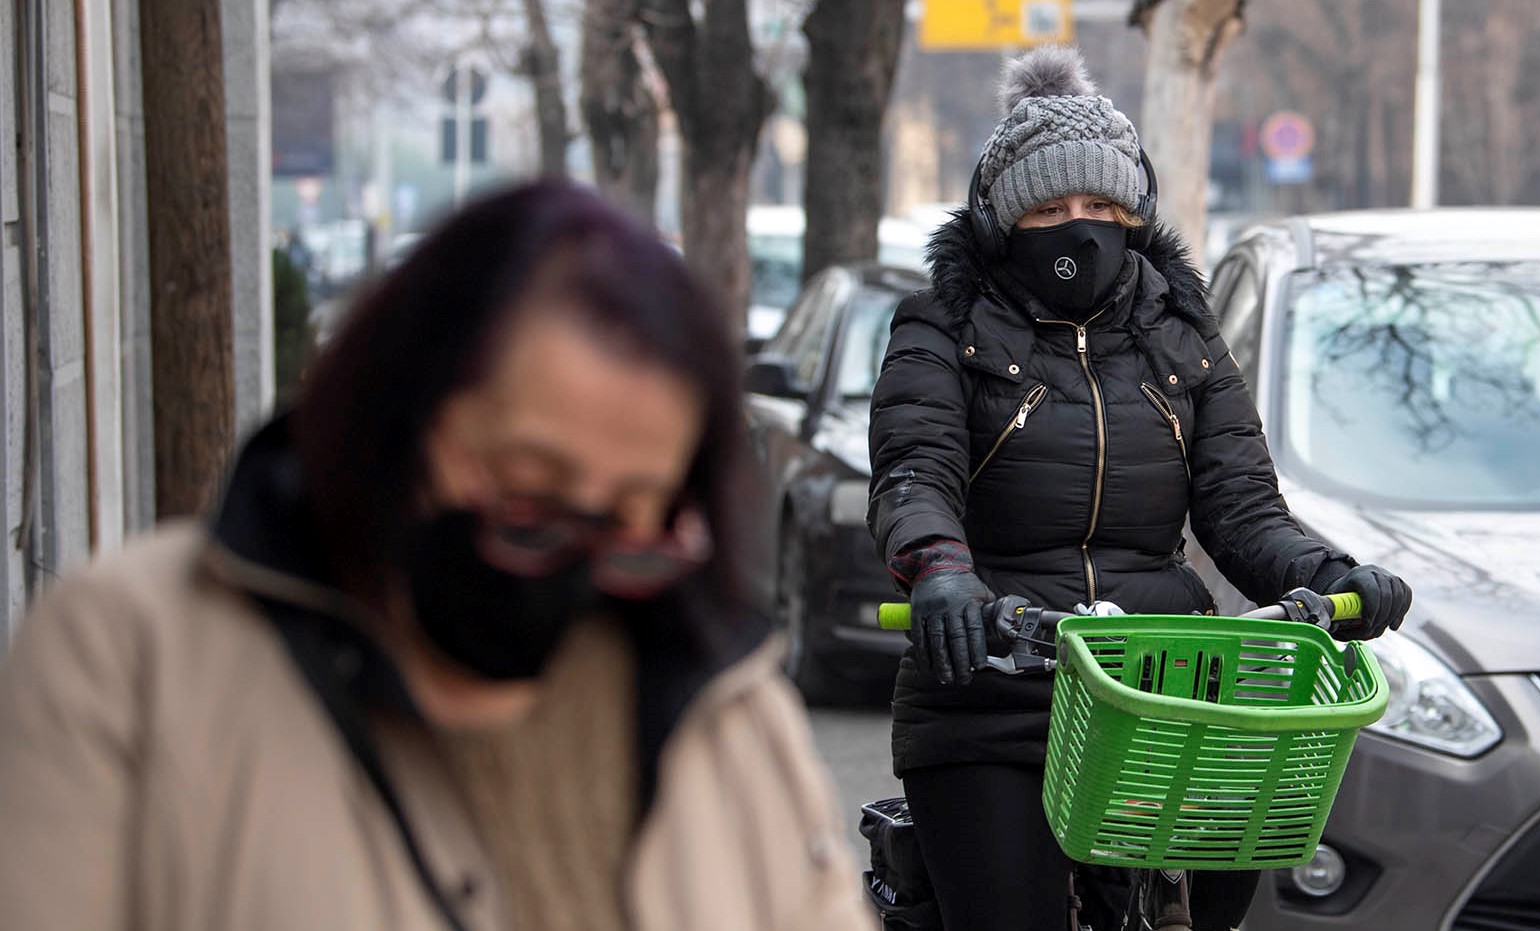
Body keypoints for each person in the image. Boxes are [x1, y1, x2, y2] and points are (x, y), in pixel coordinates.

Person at [0, 181, 877, 931]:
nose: (568, 556)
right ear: (397, 412)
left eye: (627, 519)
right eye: (530, 492)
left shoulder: (728, 711)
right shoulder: (131, 658)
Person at [867, 47, 1412, 931]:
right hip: (995, 682)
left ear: (1134, 213)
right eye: (1049, 206)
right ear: (1004, 218)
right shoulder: (943, 325)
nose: (1077, 228)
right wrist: (941, 573)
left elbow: (1242, 507)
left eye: (1101, 207)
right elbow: (912, 471)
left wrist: (1334, 575)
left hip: (1168, 697)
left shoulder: (1183, 332)